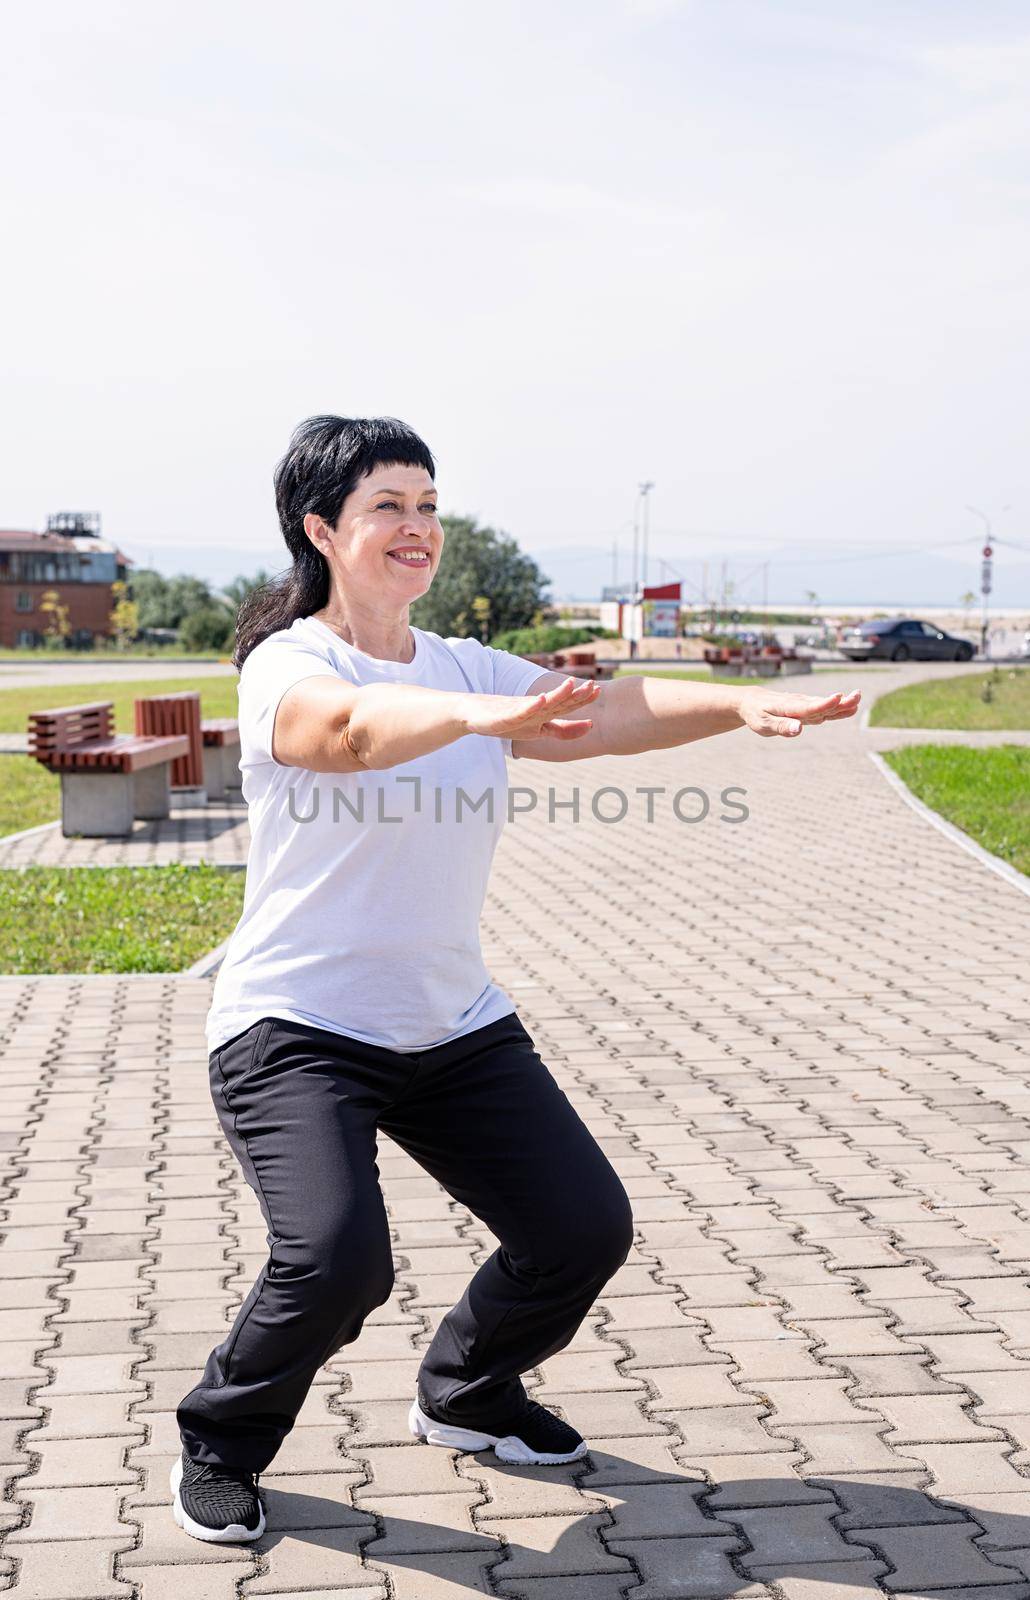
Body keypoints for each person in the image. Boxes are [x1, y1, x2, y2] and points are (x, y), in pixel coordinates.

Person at [172, 415, 861, 1544]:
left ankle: (466, 1391)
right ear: (321, 529)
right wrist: (483, 714)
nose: (417, 527)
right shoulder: (290, 664)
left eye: (429, 505)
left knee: (581, 1226)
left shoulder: (462, 667)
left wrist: (734, 705)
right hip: (295, 1026)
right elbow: (342, 733)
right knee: (339, 1260)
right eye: (387, 505)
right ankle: (221, 1441)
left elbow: (609, 710)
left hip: (450, 1025)